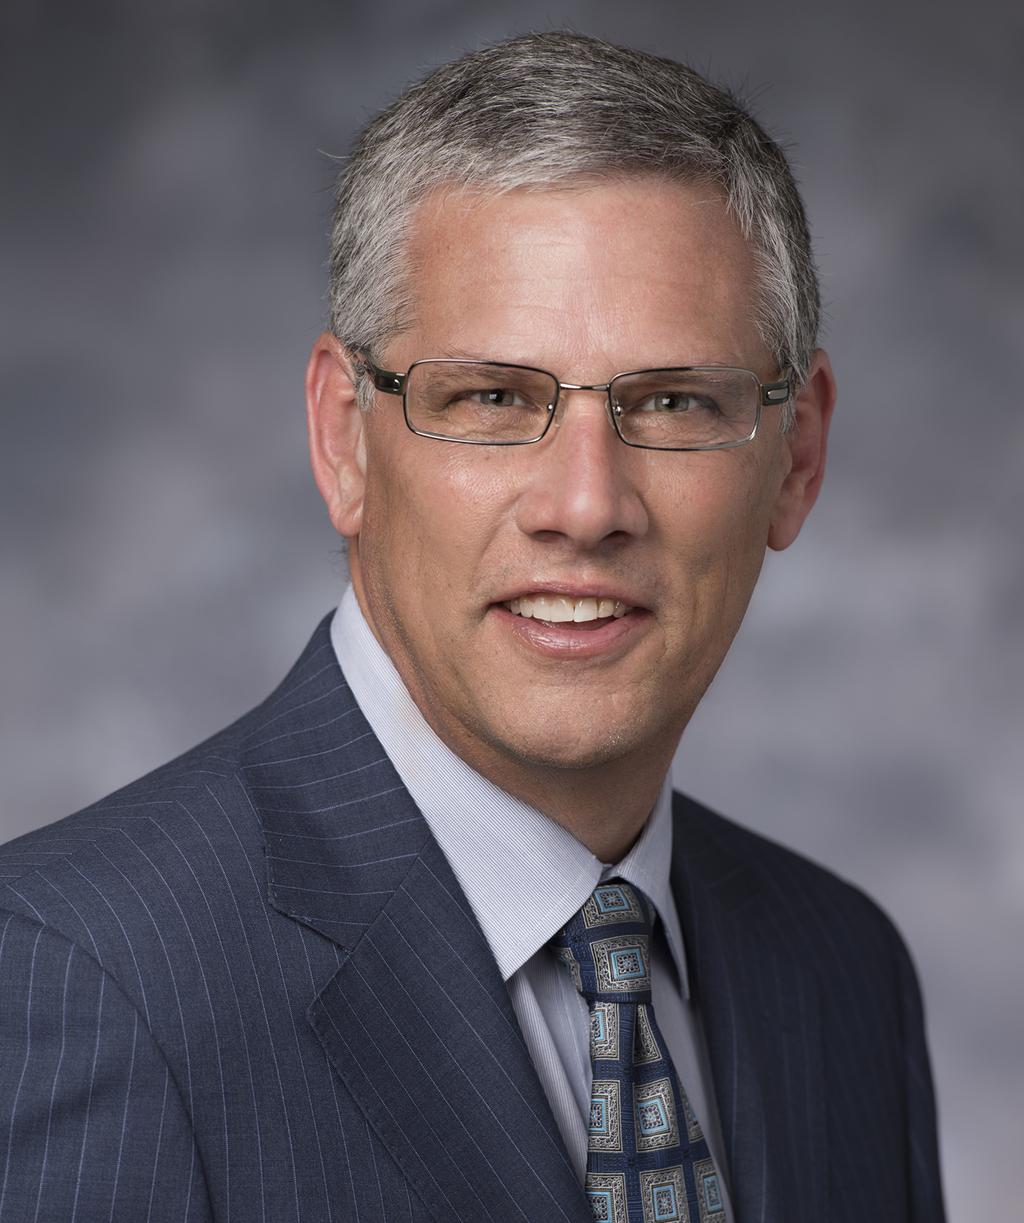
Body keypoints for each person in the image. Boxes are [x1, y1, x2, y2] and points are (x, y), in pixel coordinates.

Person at [0, 31, 944, 1223]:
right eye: (492, 397)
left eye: (671, 401)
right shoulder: (80, 970)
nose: (585, 506)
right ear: (344, 438)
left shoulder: (841, 967)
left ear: (796, 457)